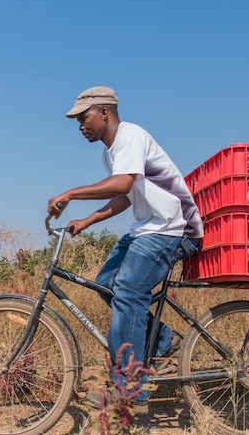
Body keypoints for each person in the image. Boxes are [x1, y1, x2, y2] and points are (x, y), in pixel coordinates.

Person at [47, 86, 204, 412]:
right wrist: (88, 220)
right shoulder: (111, 152)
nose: (80, 125)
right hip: (148, 229)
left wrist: (71, 193)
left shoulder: (130, 135)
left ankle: (131, 390)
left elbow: (123, 184)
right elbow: (125, 195)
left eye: (83, 117)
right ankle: (163, 340)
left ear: (104, 112)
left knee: (129, 291)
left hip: (173, 229)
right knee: (105, 283)